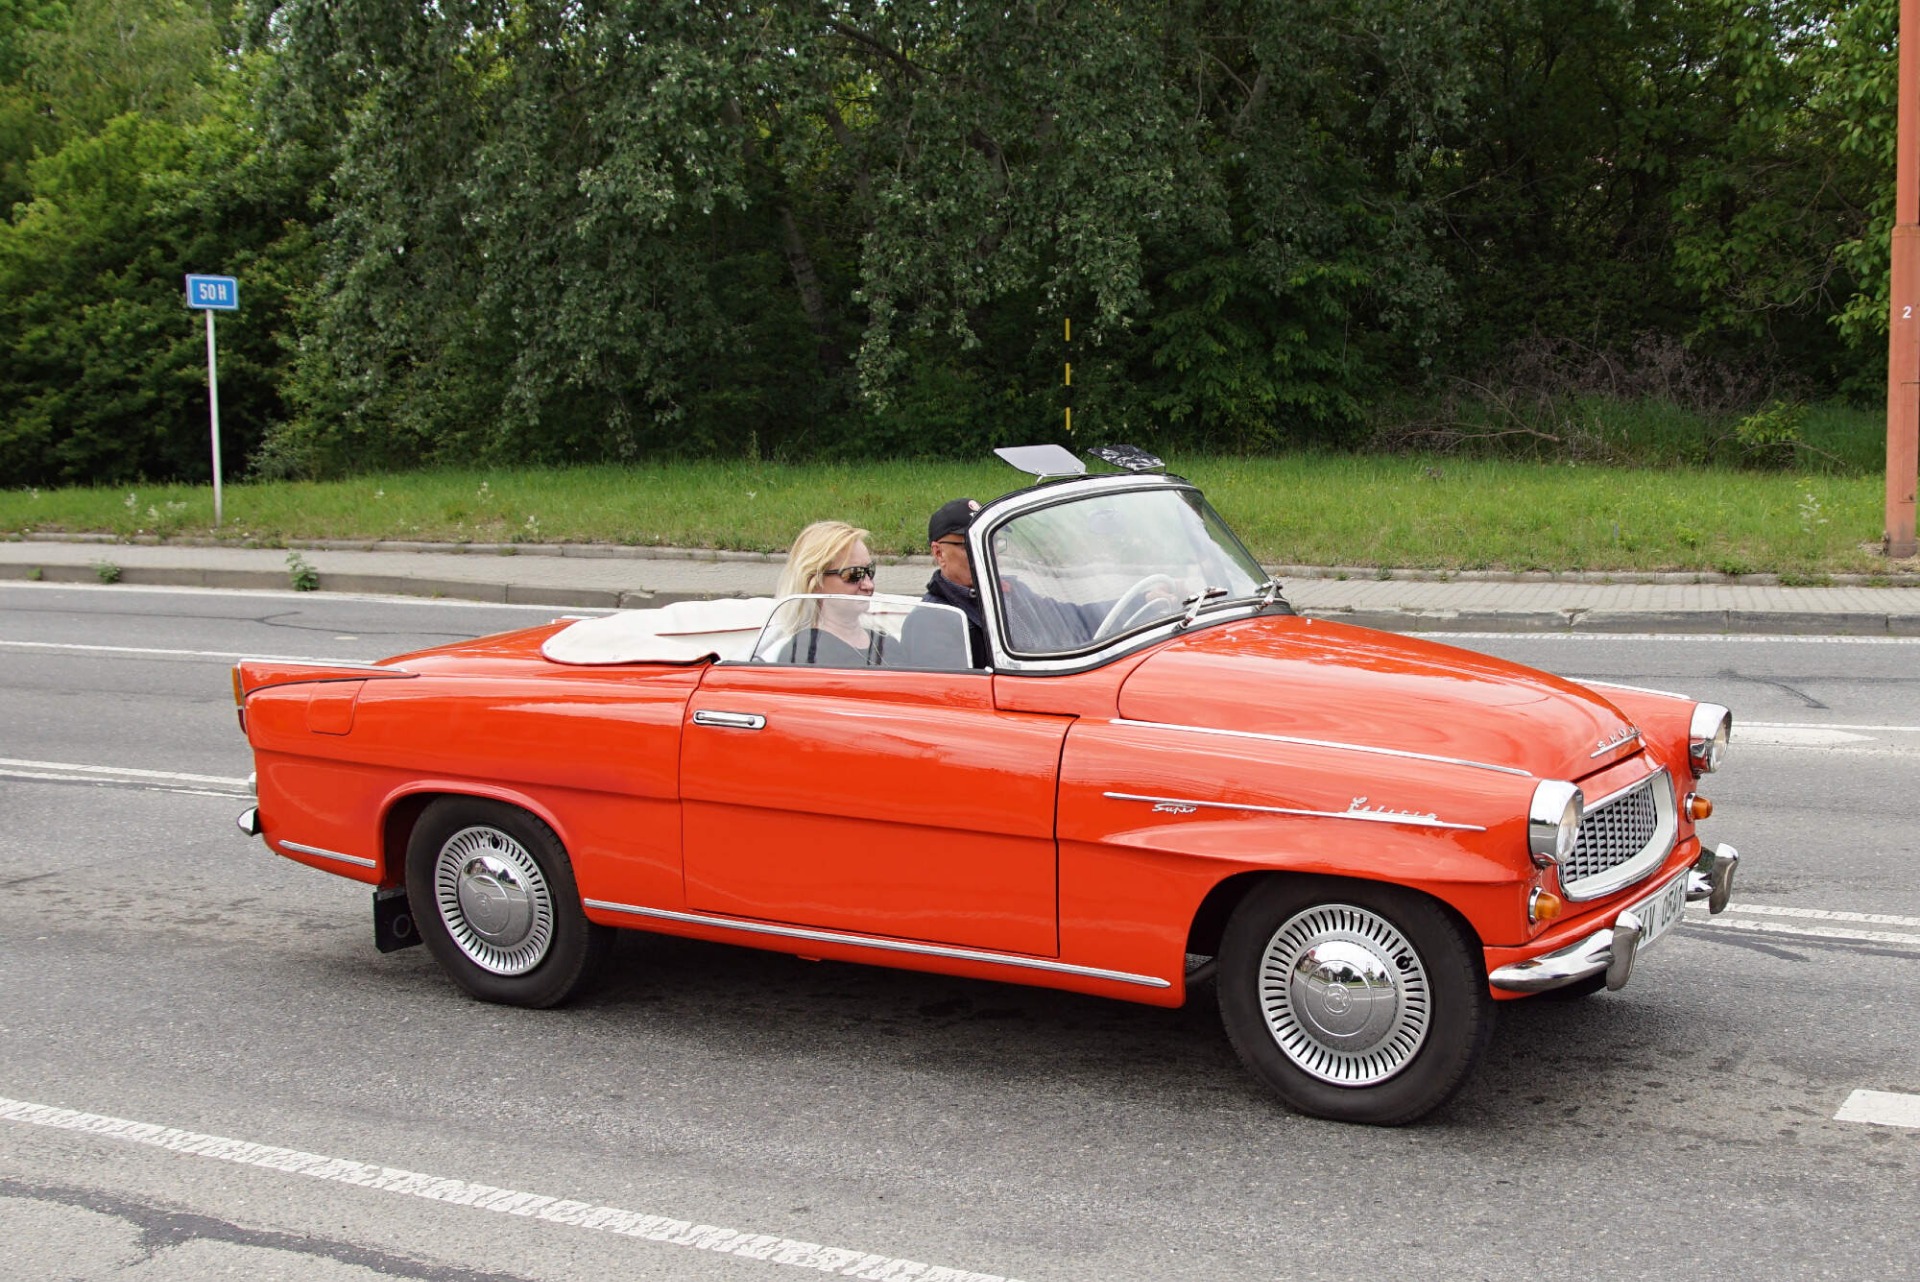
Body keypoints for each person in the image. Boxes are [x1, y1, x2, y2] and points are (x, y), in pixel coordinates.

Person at [769, 520, 884, 666]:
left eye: (870, 570)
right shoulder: (802, 654)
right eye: (854, 574)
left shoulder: (886, 644)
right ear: (815, 582)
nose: (869, 585)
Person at [918, 498, 991, 667]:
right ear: (939, 553)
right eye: (969, 545)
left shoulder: (1012, 590)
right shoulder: (930, 620)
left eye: (988, 541)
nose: (984, 553)